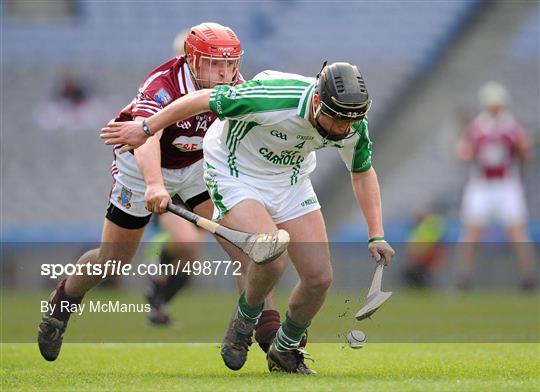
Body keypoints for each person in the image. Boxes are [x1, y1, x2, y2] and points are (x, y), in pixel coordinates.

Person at [100, 61, 396, 374]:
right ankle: (244, 321)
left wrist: (376, 233)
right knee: (271, 257)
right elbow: (202, 99)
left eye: (350, 120)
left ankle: (284, 350)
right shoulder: (272, 97)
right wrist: (146, 128)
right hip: (233, 171)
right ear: (318, 101)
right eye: (336, 118)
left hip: (290, 179)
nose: (342, 128)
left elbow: (362, 172)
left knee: (319, 278)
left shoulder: (351, 122)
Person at [38, 22, 286, 362]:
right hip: (141, 168)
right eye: (215, 64)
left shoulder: (236, 88)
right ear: (193, 61)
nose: (225, 73)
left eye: (230, 64)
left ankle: (268, 337)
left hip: (198, 168)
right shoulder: (163, 84)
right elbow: (146, 138)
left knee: (244, 248)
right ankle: (60, 305)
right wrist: (154, 183)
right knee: (113, 263)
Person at [455, 81, 536, 291]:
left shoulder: (511, 128)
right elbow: (463, 154)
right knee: (472, 231)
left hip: (506, 184)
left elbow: (526, 155)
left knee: (517, 231)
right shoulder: (478, 127)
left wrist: (523, 148)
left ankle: (528, 276)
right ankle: (464, 277)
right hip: (482, 184)